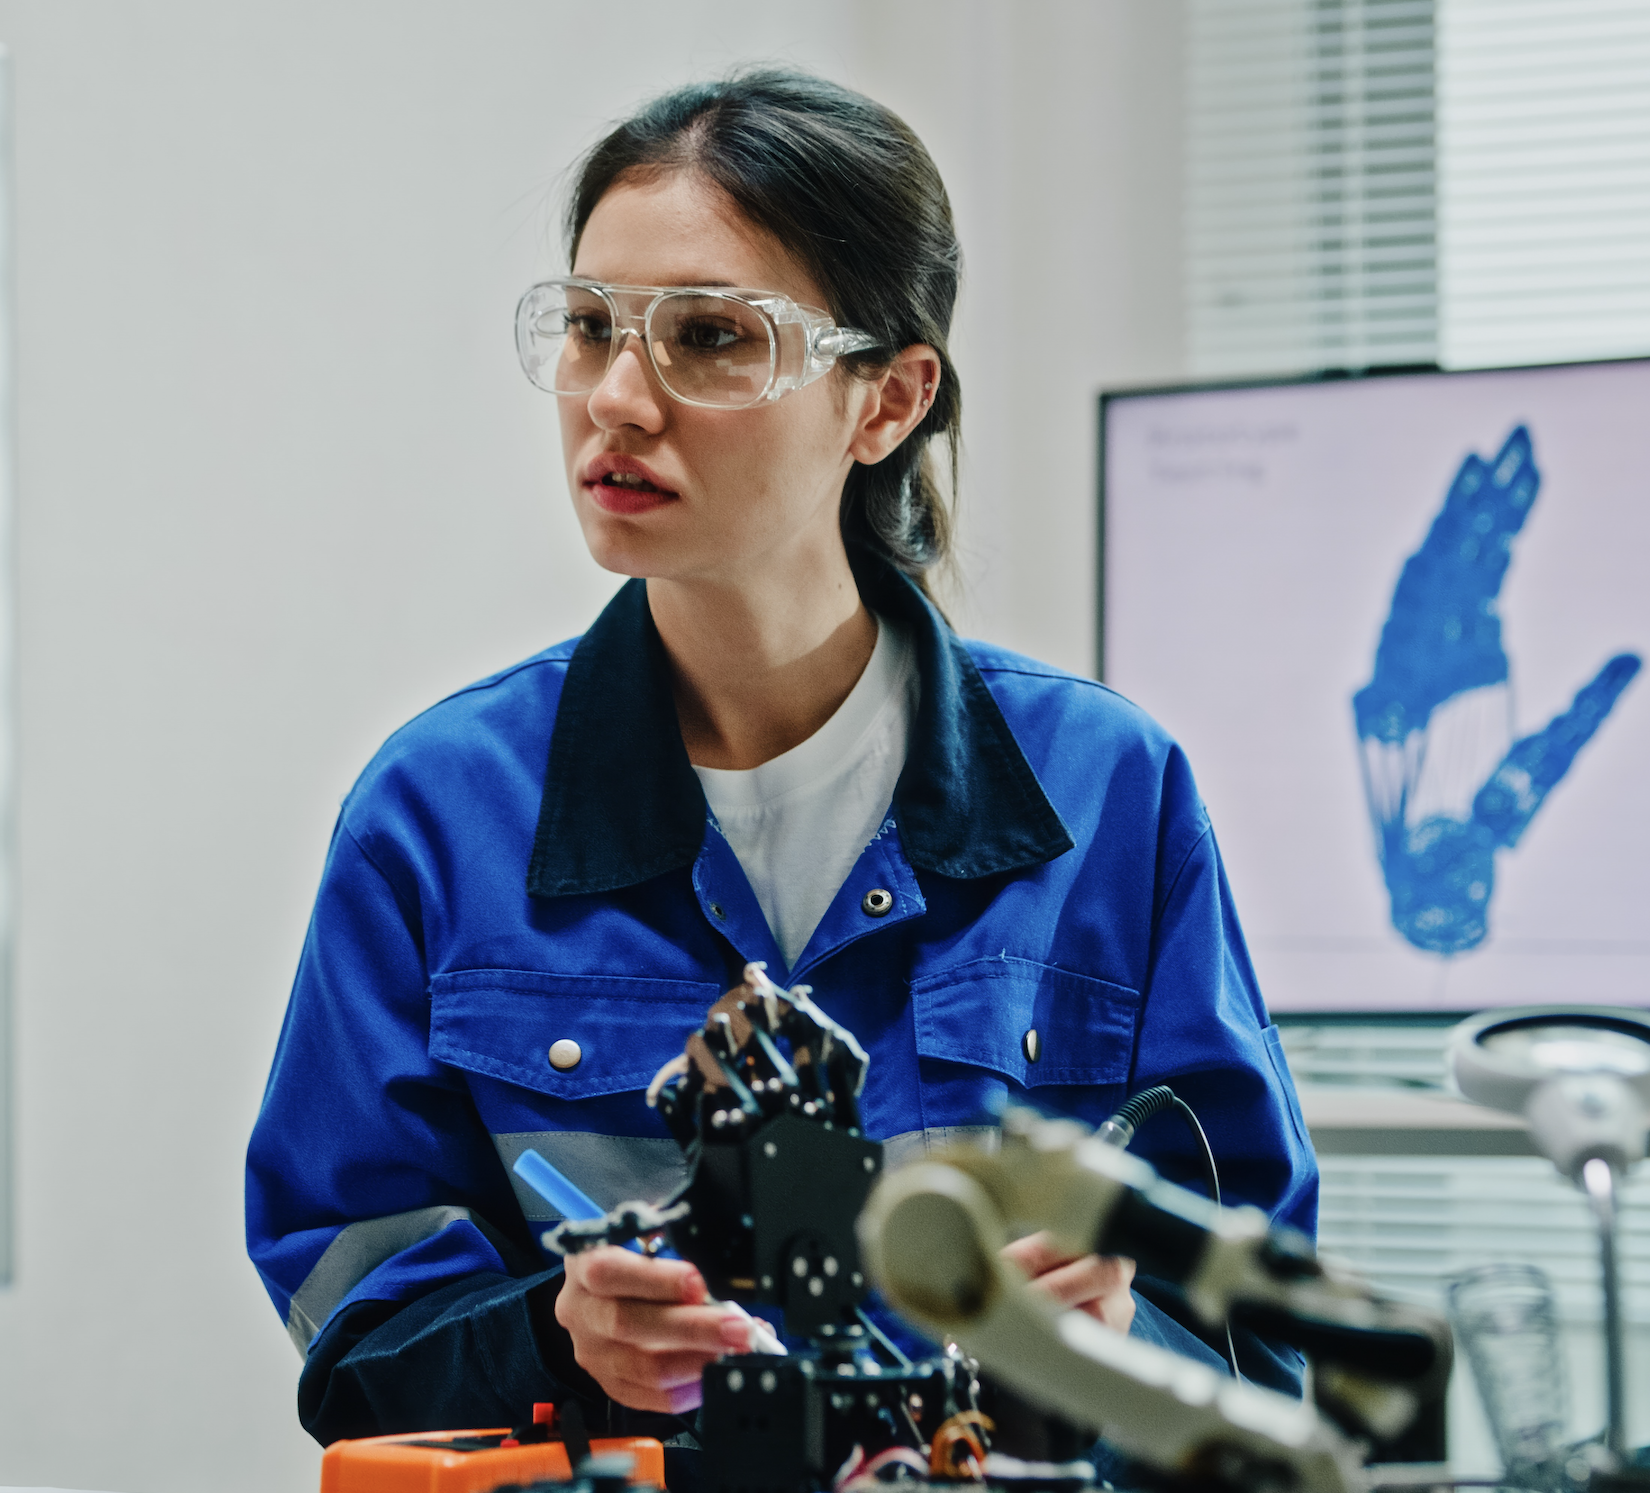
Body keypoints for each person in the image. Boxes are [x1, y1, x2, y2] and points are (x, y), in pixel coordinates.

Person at [244, 67, 1316, 1447]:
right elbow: (355, 1348)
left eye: (708, 338)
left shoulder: (1110, 796)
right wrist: (559, 1339)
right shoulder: (438, 817)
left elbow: (1259, 1347)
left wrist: (1117, 1347)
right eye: (589, 328)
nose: (617, 399)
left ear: (888, 402)